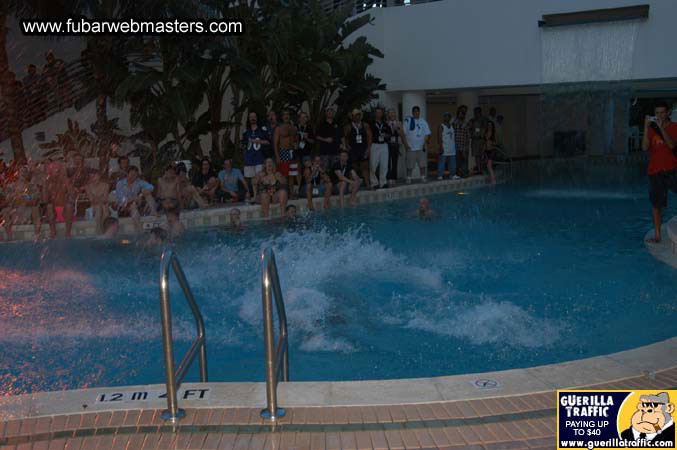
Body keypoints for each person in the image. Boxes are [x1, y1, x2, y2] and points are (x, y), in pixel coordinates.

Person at [642, 100, 677, 243]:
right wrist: (645, 128)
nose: (660, 115)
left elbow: (672, 145)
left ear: (668, 112)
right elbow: (644, 148)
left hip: (672, 168)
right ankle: (657, 235)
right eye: (657, 113)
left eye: (662, 112)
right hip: (655, 170)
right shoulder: (651, 129)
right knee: (657, 205)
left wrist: (662, 128)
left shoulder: (675, 127)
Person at [114, 166, 158, 231]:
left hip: (136, 205)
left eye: (135, 175)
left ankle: (153, 211)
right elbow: (122, 200)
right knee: (133, 206)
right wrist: (136, 198)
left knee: (147, 193)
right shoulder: (120, 183)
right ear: (127, 174)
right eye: (131, 174)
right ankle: (139, 229)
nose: (133, 176)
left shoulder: (138, 181)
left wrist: (142, 194)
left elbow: (151, 187)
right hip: (123, 208)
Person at [43, 161, 75, 238]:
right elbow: (45, 200)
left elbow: (72, 196)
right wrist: (46, 188)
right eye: (55, 170)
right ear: (50, 172)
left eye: (58, 170)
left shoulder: (65, 181)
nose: (57, 172)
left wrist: (67, 183)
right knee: (49, 206)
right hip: (52, 212)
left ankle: (68, 233)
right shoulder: (47, 183)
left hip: (65, 212)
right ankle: (53, 232)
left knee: (69, 206)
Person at [343, 109, 372, 188]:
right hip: (353, 150)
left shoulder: (365, 125)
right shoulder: (348, 126)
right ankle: (353, 185)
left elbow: (369, 137)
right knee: (353, 167)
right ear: (352, 117)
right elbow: (345, 138)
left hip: (363, 149)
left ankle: (368, 185)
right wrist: (347, 146)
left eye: (358, 115)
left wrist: (368, 149)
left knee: (365, 167)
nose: (357, 117)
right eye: (355, 115)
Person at [403, 106, 431, 183]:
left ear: (419, 112)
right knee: (409, 165)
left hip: (421, 147)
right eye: (414, 111)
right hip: (411, 147)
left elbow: (427, 134)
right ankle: (408, 178)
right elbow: (403, 133)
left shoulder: (423, 121)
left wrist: (425, 143)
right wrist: (406, 144)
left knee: (422, 164)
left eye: (417, 111)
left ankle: (423, 177)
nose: (416, 113)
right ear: (412, 112)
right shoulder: (408, 120)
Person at [274, 110, 299, 197]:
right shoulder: (278, 128)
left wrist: (296, 144)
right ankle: (284, 193)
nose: (286, 116)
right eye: (284, 114)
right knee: (283, 174)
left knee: (292, 174)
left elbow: (296, 140)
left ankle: (291, 193)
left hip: (292, 152)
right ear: (282, 117)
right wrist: (277, 156)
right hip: (283, 152)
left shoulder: (294, 128)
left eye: (287, 114)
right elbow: (275, 143)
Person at [242, 112, 268, 195]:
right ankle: (253, 195)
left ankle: (262, 195)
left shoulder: (262, 129)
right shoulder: (246, 131)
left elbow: (268, 142)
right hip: (249, 158)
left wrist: (258, 141)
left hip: (259, 157)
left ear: (257, 118)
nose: (252, 118)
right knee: (251, 178)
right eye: (251, 117)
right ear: (249, 119)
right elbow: (244, 144)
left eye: (254, 116)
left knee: (260, 177)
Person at [84, 169, 110, 234]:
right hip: (93, 207)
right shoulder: (87, 186)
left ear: (99, 176)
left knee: (103, 207)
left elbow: (105, 199)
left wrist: (97, 198)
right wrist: (100, 199)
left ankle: (101, 230)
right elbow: (91, 200)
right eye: (91, 177)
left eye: (94, 176)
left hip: (103, 206)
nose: (93, 178)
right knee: (100, 208)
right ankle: (101, 229)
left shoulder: (106, 185)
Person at [369, 107, 390, 189]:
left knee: (384, 165)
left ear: (382, 114)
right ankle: (374, 183)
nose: (379, 114)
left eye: (380, 112)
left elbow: (389, 134)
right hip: (374, 145)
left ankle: (383, 182)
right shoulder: (371, 124)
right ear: (375, 114)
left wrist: (385, 135)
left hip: (384, 145)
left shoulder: (385, 124)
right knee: (373, 164)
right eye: (377, 112)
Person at [437, 112, 458, 180]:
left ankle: (452, 174)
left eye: (448, 116)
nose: (447, 118)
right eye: (446, 116)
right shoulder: (441, 126)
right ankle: (440, 175)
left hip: (452, 148)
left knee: (452, 163)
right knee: (442, 162)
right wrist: (441, 147)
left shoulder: (452, 126)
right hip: (444, 147)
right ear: (444, 117)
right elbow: (439, 137)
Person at [386, 109, 404, 186]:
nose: (392, 115)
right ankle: (388, 178)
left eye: (393, 113)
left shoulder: (399, 123)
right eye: (391, 113)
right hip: (387, 144)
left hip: (395, 144)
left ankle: (394, 178)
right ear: (388, 115)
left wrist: (397, 129)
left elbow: (402, 134)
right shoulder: (386, 123)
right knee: (387, 162)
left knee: (394, 162)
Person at [468, 106, 488, 175]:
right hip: (475, 140)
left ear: (480, 112)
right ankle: (479, 169)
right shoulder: (472, 120)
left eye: (477, 112)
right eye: (475, 112)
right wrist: (471, 134)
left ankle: (484, 168)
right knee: (476, 155)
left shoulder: (484, 119)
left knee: (482, 155)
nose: (476, 113)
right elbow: (469, 128)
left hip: (482, 140)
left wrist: (482, 136)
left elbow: (486, 129)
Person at [452, 105, 470, 178]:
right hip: (456, 145)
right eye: (459, 114)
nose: (460, 115)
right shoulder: (454, 122)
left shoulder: (466, 123)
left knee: (464, 160)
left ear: (463, 115)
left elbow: (468, 136)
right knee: (457, 161)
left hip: (464, 145)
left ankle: (465, 174)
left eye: (461, 114)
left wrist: (466, 146)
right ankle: (457, 174)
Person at [485, 121, 499, 185]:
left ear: (492, 126)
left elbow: (497, 143)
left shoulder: (494, 133)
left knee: (489, 165)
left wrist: (492, 142)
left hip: (492, 150)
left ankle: (494, 181)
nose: (489, 126)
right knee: (488, 166)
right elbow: (484, 142)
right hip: (486, 151)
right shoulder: (486, 133)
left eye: (490, 125)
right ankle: (491, 180)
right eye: (488, 125)